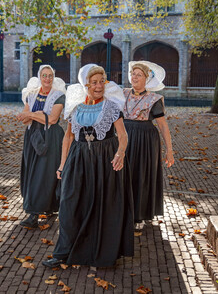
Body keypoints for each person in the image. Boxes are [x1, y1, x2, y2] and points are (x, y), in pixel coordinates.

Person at [42, 64, 134, 268]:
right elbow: (68, 137)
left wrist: (120, 152)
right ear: (86, 85)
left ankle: (102, 253)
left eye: (102, 81)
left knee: (103, 206)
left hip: (105, 161)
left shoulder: (112, 107)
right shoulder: (74, 107)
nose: (99, 85)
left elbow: (123, 135)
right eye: (94, 82)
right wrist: (62, 165)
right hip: (78, 160)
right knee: (69, 205)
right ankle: (63, 252)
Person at [123, 61, 174, 230]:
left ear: (147, 78)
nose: (134, 77)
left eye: (138, 74)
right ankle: (122, 212)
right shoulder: (122, 94)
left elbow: (163, 126)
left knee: (140, 175)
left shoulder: (154, 99)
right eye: (132, 74)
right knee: (122, 175)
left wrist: (169, 150)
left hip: (145, 141)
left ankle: (139, 215)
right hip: (124, 137)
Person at [16, 65, 66, 228]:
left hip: (50, 137)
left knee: (45, 173)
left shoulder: (59, 96)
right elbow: (25, 119)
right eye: (44, 76)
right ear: (39, 77)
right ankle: (49, 207)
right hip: (33, 136)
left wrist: (32, 114)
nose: (47, 79)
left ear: (53, 77)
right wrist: (35, 116)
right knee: (33, 172)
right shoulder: (31, 94)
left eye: (50, 76)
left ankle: (33, 214)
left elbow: (52, 119)